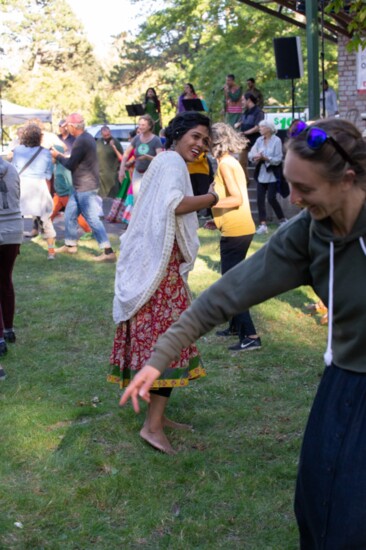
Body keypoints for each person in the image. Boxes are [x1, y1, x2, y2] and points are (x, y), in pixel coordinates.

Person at [120, 118, 366, 548]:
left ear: (347, 180)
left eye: (304, 189)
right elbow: (223, 297)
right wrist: (160, 356)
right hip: (343, 380)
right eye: (289, 185)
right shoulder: (308, 235)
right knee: (317, 508)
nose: (292, 199)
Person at [109, 111, 220, 456]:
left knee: (164, 345)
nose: (200, 145)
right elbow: (176, 205)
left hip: (161, 272)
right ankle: (152, 427)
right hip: (161, 277)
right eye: (196, 137)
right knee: (168, 347)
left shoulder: (164, 159)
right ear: (179, 133)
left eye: (205, 141)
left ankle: (159, 418)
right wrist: (215, 199)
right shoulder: (172, 160)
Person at [207, 122, 261, 351]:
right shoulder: (227, 162)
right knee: (229, 281)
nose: (203, 143)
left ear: (215, 141)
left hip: (237, 230)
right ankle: (235, 327)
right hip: (235, 227)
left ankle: (250, 336)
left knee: (231, 285)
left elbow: (237, 198)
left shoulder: (226, 164)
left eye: (206, 139)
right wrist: (216, 215)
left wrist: (210, 202)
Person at [51, 113, 116, 262]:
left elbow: (70, 164)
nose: (66, 128)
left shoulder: (81, 141)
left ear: (73, 127)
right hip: (80, 186)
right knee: (69, 214)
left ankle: (108, 251)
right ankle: (70, 245)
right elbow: (77, 161)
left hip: (85, 187)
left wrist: (57, 155)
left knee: (92, 219)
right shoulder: (86, 138)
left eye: (67, 125)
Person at [12, 124, 56, 260]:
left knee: (17, 220)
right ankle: (51, 253)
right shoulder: (45, 153)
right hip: (39, 187)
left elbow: (14, 170)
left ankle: (15, 250)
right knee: (46, 221)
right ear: (39, 137)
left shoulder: (17, 150)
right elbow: (48, 175)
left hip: (22, 187)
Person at [0, 157, 23, 367]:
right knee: (5, 280)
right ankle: (8, 329)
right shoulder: (12, 169)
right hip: (14, 228)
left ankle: (0, 339)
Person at [249, 119, 287, 234]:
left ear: (268, 129)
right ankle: (263, 225)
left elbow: (278, 159)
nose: (259, 129)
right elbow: (251, 154)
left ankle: (283, 220)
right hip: (261, 174)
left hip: (273, 175)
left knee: (271, 198)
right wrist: (255, 157)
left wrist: (266, 158)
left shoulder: (277, 140)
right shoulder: (259, 140)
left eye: (261, 127)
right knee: (260, 199)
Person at [118, 114, 162, 198]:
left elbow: (160, 159)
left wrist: (146, 156)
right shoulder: (137, 138)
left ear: (149, 126)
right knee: (137, 198)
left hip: (151, 173)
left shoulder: (156, 140)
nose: (140, 127)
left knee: (149, 198)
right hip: (138, 173)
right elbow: (126, 154)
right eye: (139, 125)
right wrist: (121, 169)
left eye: (143, 125)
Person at [235, 92, 264, 185]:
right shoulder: (245, 112)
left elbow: (257, 127)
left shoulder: (259, 112)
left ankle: (261, 182)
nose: (242, 102)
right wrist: (238, 124)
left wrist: (244, 132)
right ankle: (246, 181)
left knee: (258, 161)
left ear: (249, 100)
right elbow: (240, 122)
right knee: (241, 162)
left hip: (256, 141)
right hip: (244, 141)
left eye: (243, 100)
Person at [96, 126, 124, 198]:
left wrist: (121, 170)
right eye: (104, 135)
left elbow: (122, 157)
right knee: (101, 196)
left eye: (108, 135)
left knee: (113, 195)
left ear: (110, 133)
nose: (106, 137)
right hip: (101, 174)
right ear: (101, 135)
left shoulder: (115, 142)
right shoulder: (98, 142)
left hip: (112, 174)